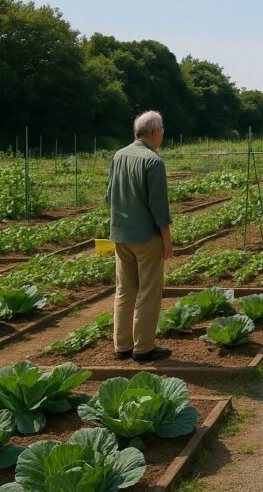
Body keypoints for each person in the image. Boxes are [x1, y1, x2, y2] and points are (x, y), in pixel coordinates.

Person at [106, 111, 173, 362]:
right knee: (149, 291)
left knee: (124, 290)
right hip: (146, 237)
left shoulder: (119, 155)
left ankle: (122, 346)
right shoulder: (153, 162)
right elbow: (159, 208)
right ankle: (143, 348)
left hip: (120, 236)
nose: (163, 134)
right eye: (162, 130)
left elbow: (109, 195)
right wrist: (167, 239)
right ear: (154, 132)